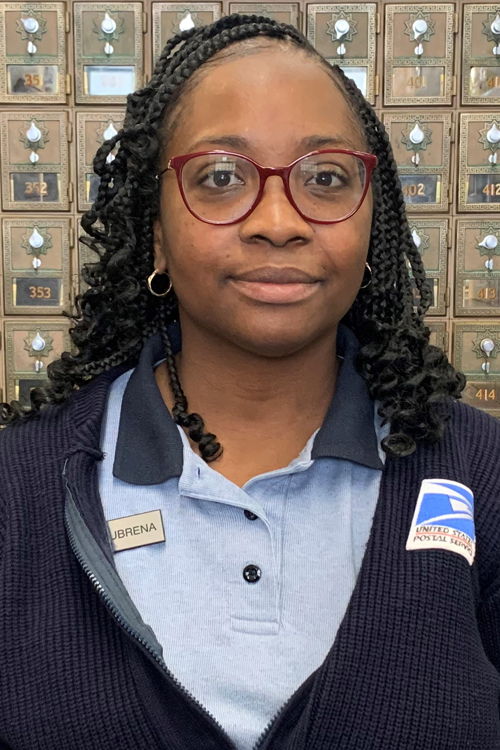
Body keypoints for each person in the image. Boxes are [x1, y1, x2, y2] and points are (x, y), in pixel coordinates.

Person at [1, 13, 499, 750]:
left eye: (326, 178)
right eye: (221, 177)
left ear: (373, 222)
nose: (277, 220)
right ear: (157, 232)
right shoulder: (19, 486)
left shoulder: (480, 472)